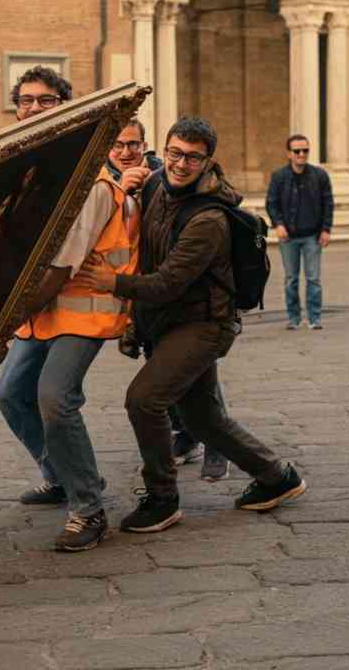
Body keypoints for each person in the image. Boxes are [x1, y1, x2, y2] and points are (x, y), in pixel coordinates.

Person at [78, 116, 306, 533]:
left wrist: (114, 283)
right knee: (201, 417)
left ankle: (162, 498)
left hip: (202, 325)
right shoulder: (154, 184)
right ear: (163, 151)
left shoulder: (209, 221)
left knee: (144, 400)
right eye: (174, 154)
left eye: (192, 158)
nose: (181, 164)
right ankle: (277, 477)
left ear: (207, 162)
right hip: (167, 323)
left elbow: (167, 283)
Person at [0, 67, 131, 552]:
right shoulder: (30, 172)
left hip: (82, 309)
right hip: (41, 312)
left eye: (46, 101)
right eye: (25, 101)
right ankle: (59, 475)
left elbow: (58, 270)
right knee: (12, 395)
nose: (33, 108)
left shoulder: (88, 182)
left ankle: (89, 508)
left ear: (68, 109)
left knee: (54, 398)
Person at [106, 119, 229, 482]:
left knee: (189, 384)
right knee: (171, 378)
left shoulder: (164, 179)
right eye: (119, 145)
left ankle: (211, 453)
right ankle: (190, 438)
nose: (127, 152)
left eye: (133, 144)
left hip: (186, 303)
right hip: (150, 304)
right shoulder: (113, 183)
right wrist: (119, 192)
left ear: (146, 146)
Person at [266, 134, 333, 330]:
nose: (301, 154)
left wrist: (326, 229)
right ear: (289, 154)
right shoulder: (279, 177)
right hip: (288, 236)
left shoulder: (320, 176)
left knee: (313, 279)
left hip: (312, 235)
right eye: (297, 151)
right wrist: (278, 224)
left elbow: (328, 203)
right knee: (291, 279)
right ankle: (293, 318)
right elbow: (271, 203)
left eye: (305, 150)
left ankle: (314, 318)